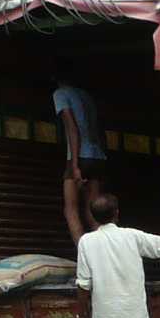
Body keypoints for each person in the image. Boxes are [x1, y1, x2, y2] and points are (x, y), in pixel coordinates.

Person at [52, 69, 109, 247]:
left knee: (70, 210)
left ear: (53, 77)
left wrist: (75, 165)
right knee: (93, 210)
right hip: (97, 157)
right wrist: (104, 161)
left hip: (80, 156)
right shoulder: (87, 96)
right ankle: (101, 253)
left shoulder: (61, 94)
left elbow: (72, 127)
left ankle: (85, 254)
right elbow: (101, 130)